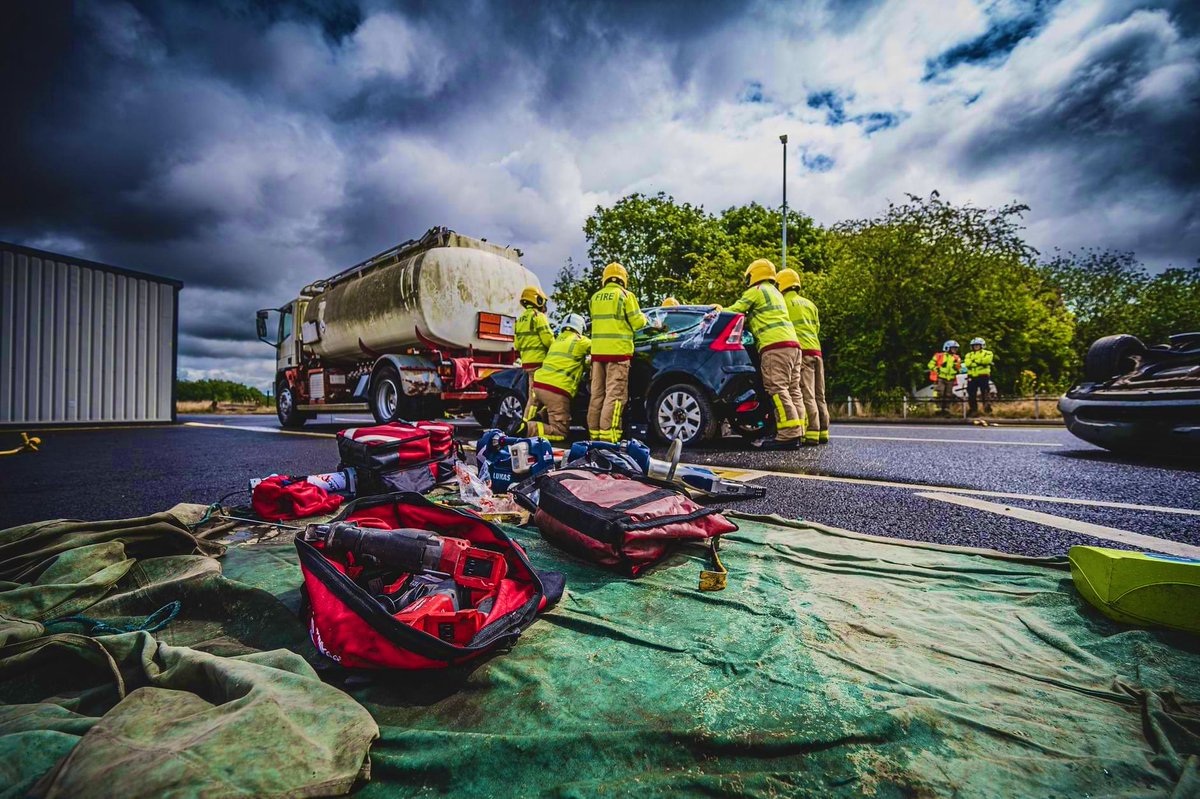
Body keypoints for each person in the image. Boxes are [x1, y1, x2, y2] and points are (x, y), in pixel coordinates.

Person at [724, 259, 804, 450]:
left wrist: (717, 310)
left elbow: (734, 312)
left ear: (754, 274)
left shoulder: (756, 291)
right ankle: (798, 430)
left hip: (774, 346)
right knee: (793, 390)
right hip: (793, 346)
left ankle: (788, 435)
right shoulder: (776, 293)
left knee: (777, 389)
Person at [588, 263, 659, 442]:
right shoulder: (625, 296)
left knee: (597, 395)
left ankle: (594, 434)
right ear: (623, 278)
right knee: (615, 395)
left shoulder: (595, 298)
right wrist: (650, 322)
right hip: (618, 355)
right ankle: (609, 435)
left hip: (597, 356)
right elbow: (637, 323)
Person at [777, 269, 829, 445]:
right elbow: (817, 328)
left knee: (806, 394)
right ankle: (824, 431)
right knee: (819, 394)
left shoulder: (784, 303)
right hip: (817, 351)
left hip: (802, 352)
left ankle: (812, 433)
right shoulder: (810, 304)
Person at [523, 314, 590, 442]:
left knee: (545, 411)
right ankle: (526, 429)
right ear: (580, 327)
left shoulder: (557, 341)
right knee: (560, 432)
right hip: (557, 390)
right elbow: (598, 350)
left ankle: (526, 423)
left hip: (539, 385)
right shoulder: (580, 340)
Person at [514, 286, 553, 423]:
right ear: (538, 300)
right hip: (539, 363)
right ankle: (526, 424)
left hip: (527, 363)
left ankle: (534, 422)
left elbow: (517, 345)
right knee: (535, 397)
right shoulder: (538, 317)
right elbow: (548, 340)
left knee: (535, 394)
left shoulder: (520, 320)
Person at [928, 340, 962, 415]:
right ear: (947, 348)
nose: (955, 350)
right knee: (940, 392)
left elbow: (960, 368)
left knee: (948, 395)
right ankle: (938, 409)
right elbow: (930, 365)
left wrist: (957, 369)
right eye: (953, 348)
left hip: (951, 379)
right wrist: (938, 369)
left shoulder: (957, 357)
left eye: (956, 348)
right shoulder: (939, 356)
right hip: (941, 377)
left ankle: (946, 409)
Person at [963, 337, 995, 416]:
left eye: (977, 345)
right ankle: (973, 410)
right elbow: (967, 364)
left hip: (983, 376)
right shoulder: (968, 354)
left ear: (982, 345)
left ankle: (987, 409)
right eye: (974, 345)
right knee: (971, 393)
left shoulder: (988, 353)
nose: (976, 347)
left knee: (985, 392)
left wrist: (975, 362)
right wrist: (979, 362)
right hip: (972, 376)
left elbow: (986, 361)